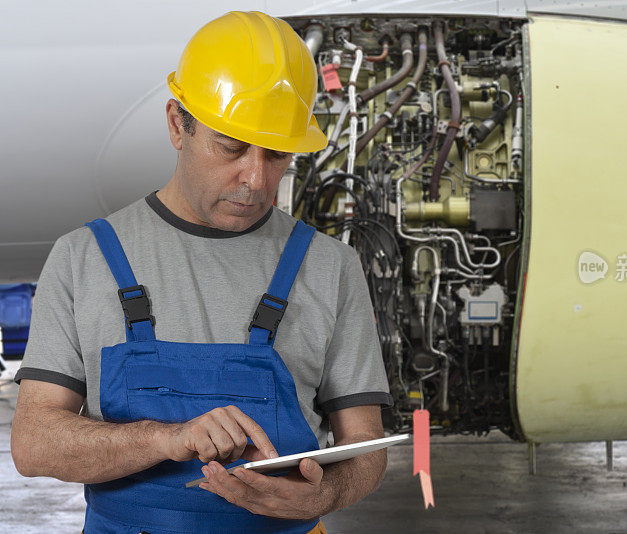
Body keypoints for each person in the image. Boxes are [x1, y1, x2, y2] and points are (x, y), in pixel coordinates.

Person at [10, 11, 392, 534]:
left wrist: (326, 493)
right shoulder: (84, 257)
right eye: (231, 146)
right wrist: (163, 439)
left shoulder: (331, 267)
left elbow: (365, 449)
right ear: (176, 123)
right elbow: (34, 444)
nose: (256, 180)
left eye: (277, 154)